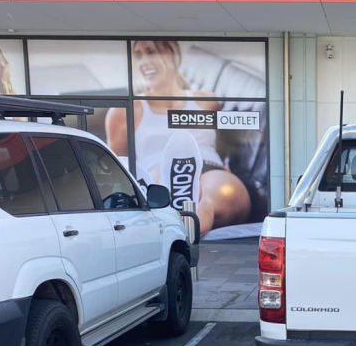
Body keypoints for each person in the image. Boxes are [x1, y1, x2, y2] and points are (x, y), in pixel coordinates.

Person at [105, 39, 252, 237]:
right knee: (164, 179)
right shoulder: (127, 111)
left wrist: (226, 163)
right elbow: (118, 167)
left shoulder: (206, 102)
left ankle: (185, 220)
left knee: (212, 196)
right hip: (157, 173)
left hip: (209, 168)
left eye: (150, 52)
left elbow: (224, 145)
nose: (143, 62)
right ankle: (187, 219)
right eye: (138, 56)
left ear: (171, 53)